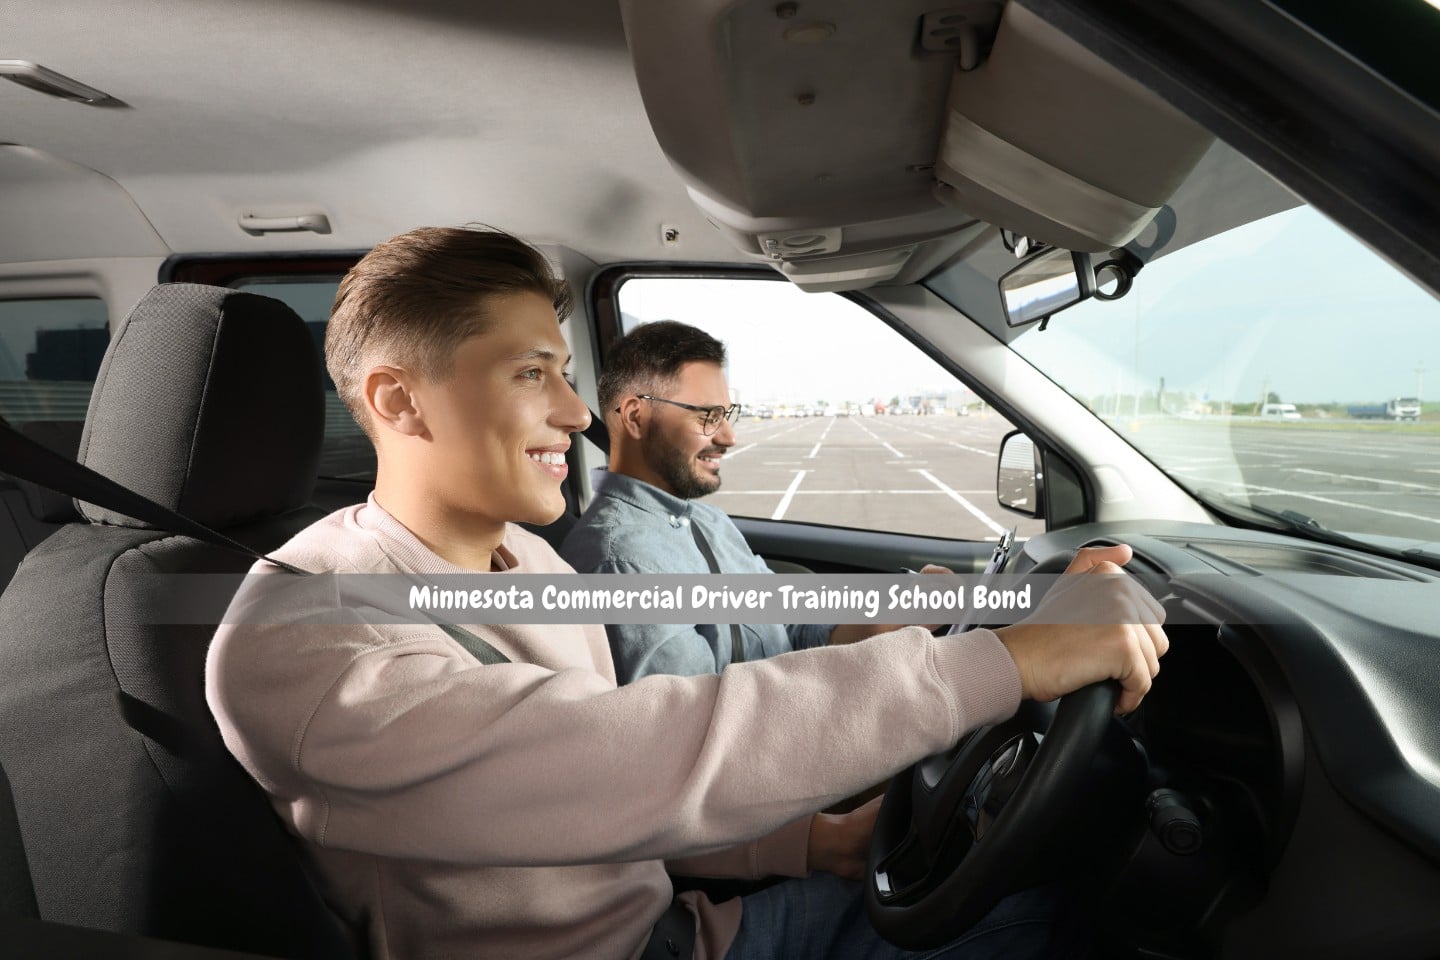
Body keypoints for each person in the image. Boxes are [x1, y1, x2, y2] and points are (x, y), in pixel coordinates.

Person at [205, 225, 1168, 960]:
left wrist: (814, 846)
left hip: (669, 922)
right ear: (398, 400)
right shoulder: (303, 636)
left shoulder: (528, 565)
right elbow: (639, 758)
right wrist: (1000, 663)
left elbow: (633, 784)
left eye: (569, 373)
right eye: (530, 373)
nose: (578, 414)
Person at [560, 320, 946, 683]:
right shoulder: (621, 561)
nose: (729, 437)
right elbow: (703, 725)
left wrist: (893, 619)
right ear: (635, 417)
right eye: (708, 416)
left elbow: (789, 630)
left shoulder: (709, 522)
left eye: (727, 415)